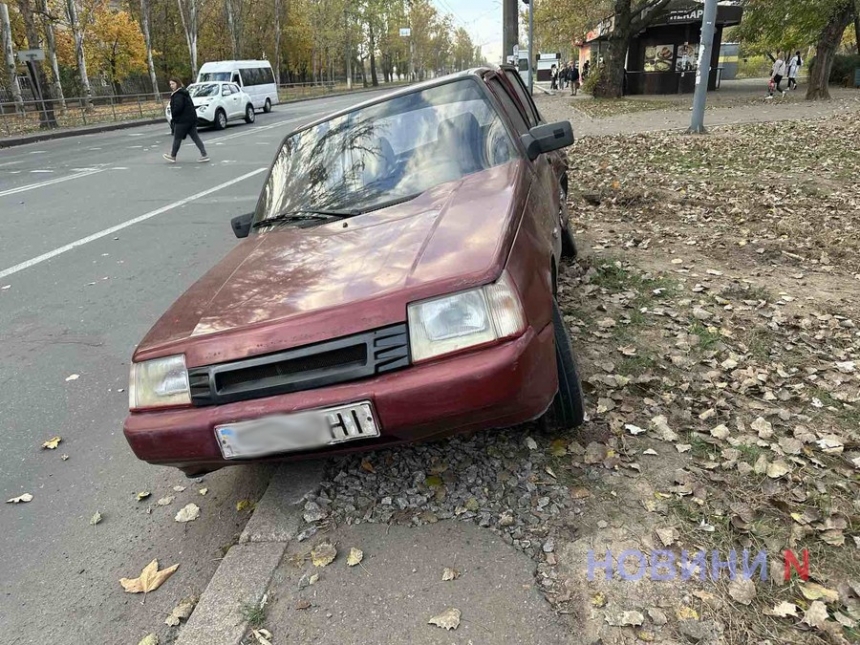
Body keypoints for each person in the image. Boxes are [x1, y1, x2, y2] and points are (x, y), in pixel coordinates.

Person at [164, 78, 210, 163]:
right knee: (195, 137)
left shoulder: (178, 95)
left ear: (177, 84)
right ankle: (204, 154)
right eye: (170, 84)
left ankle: (172, 156)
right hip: (190, 119)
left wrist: (174, 116)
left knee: (177, 138)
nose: (171, 86)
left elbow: (178, 107)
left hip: (182, 120)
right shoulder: (184, 92)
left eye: (173, 84)